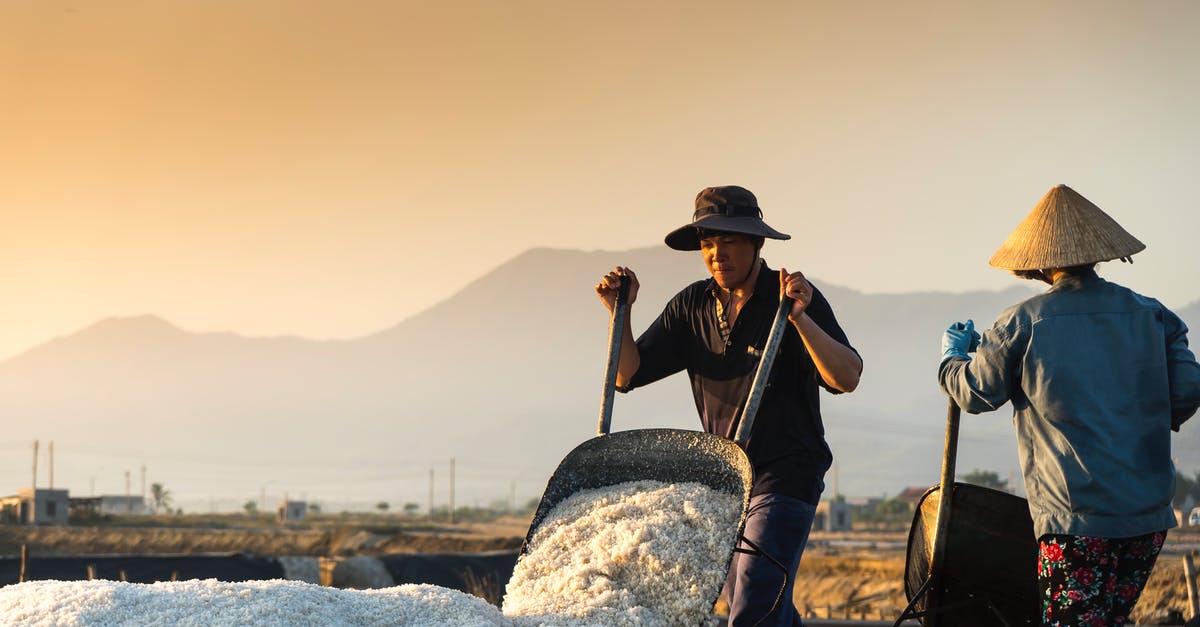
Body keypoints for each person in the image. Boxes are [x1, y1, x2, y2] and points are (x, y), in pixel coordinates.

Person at [594, 185, 862, 626]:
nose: (718, 254)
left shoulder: (790, 298)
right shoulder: (691, 305)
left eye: (730, 241)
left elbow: (846, 377)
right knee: (753, 599)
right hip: (728, 477)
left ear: (757, 243)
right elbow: (627, 374)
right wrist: (618, 313)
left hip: (786, 471)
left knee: (755, 599)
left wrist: (799, 318)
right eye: (708, 244)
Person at [937, 184, 1200, 626]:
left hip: (1074, 520)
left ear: (1039, 260)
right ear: (1098, 253)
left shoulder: (1021, 321)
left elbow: (976, 392)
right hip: (1145, 516)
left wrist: (951, 359)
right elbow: (1189, 389)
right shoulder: (1154, 315)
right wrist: (1143, 418)